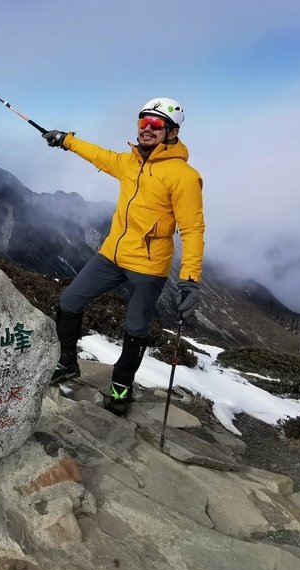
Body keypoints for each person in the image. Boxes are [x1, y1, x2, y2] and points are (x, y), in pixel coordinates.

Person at [41, 98, 205, 416]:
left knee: (135, 328)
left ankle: (121, 389)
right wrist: (66, 140)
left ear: (172, 132)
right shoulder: (129, 162)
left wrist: (189, 279)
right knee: (69, 301)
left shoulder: (183, 176)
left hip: (149, 265)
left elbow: (193, 229)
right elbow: (99, 156)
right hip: (112, 255)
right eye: (143, 122)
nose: (146, 129)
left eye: (156, 125)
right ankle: (67, 363)